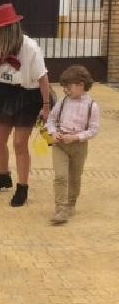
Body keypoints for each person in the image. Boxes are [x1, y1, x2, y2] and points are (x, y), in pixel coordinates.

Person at [0, 2, 51, 207]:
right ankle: (3, 176)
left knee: (20, 143)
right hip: (6, 91)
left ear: (8, 29)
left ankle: (22, 187)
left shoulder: (30, 48)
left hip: (29, 95)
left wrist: (45, 107)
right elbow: (2, 69)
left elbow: (43, 78)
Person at [46, 65, 100, 224]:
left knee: (75, 177)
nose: (66, 91)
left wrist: (76, 137)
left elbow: (94, 130)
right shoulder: (62, 102)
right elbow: (51, 120)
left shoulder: (92, 106)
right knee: (61, 176)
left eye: (68, 88)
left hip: (79, 147)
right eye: (64, 88)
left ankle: (71, 203)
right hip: (60, 144)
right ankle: (60, 209)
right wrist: (53, 132)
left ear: (81, 85)